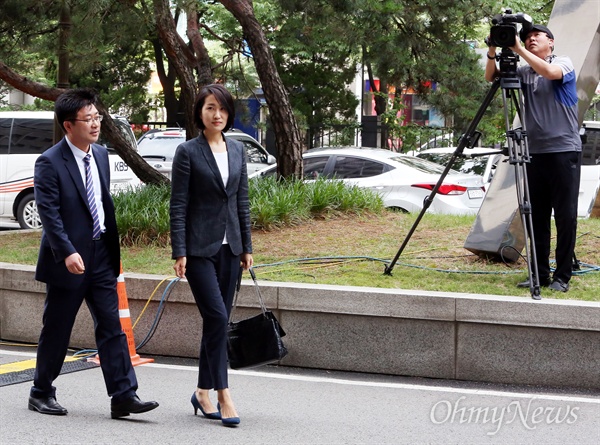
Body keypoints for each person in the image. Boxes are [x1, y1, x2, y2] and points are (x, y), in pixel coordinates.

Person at [30, 88, 159, 418]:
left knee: (112, 326)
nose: (95, 123)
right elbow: (49, 213)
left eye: (97, 117)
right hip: (69, 260)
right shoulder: (49, 162)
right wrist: (67, 251)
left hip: (101, 255)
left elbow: (100, 204)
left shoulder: (100, 155)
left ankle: (123, 395)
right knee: (58, 328)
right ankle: (41, 391)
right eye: (87, 119)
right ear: (68, 125)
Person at [170, 84, 253, 427]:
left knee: (214, 322)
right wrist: (179, 250)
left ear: (228, 113)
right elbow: (178, 205)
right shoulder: (187, 152)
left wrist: (247, 246)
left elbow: (241, 201)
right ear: (199, 113)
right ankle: (223, 393)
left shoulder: (237, 151)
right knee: (218, 317)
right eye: (209, 108)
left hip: (230, 249)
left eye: (221, 108)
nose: (216, 114)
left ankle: (201, 392)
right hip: (199, 250)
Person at [485, 24, 581, 293]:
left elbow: (549, 72)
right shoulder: (526, 70)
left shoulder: (564, 62)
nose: (529, 40)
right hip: (534, 152)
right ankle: (539, 274)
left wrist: (518, 49)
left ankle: (562, 277)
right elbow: (490, 76)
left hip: (564, 150)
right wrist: (492, 47)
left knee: (565, 217)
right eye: (526, 38)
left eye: (535, 36)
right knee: (537, 216)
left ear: (551, 41)